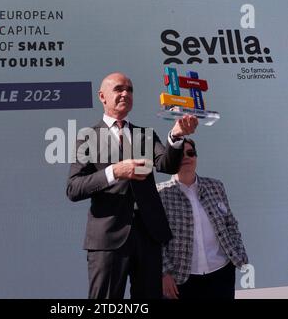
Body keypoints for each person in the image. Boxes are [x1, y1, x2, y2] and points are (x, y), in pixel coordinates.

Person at [66, 72, 198, 299]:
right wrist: (114, 172)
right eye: (118, 89)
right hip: (108, 237)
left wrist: (175, 136)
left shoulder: (144, 134)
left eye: (130, 89)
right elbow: (74, 188)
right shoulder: (88, 137)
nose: (125, 93)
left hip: (148, 234)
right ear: (102, 96)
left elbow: (166, 164)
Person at [157, 138, 249, 299]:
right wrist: (164, 273)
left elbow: (230, 223)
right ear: (171, 158)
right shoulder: (160, 193)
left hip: (221, 273)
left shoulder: (215, 186)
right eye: (180, 154)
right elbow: (156, 238)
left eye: (191, 153)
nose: (186, 157)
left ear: (196, 158)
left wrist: (239, 252)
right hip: (181, 278)